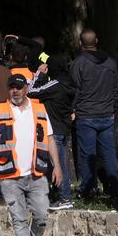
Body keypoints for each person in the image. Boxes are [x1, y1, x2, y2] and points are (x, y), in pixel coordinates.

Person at [0, 74, 61, 236]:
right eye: (11, 87)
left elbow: (50, 139)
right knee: (19, 219)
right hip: (8, 175)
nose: (14, 91)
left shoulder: (39, 109)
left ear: (26, 89)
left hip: (36, 172)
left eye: (18, 87)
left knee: (42, 214)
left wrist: (57, 166)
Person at [70, 29, 118, 199]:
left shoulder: (78, 63)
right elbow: (116, 88)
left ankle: (87, 189)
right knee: (108, 152)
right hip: (106, 114)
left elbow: (75, 90)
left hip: (86, 115)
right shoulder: (110, 62)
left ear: (80, 43)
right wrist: (113, 106)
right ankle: (114, 186)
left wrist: (73, 108)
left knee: (87, 154)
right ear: (97, 40)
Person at [30, 55, 76, 210]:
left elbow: (31, 91)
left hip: (54, 130)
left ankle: (65, 197)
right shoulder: (69, 82)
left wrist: (39, 74)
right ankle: (59, 195)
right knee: (60, 163)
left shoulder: (55, 85)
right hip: (64, 128)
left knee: (59, 164)